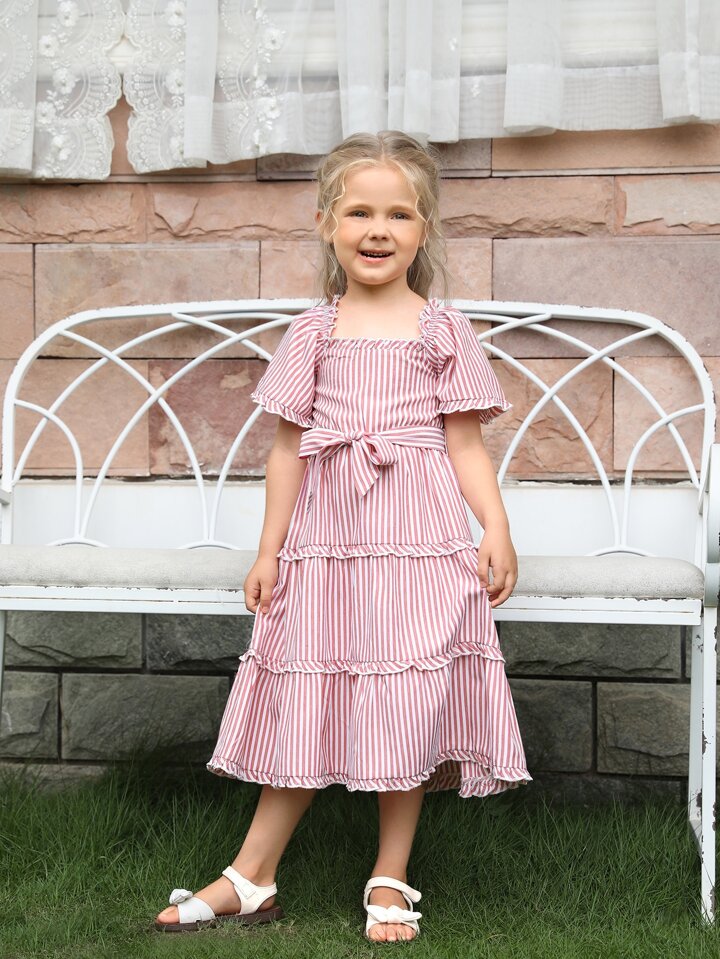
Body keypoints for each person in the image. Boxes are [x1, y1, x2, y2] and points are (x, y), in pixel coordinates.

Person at [154, 130, 532, 942]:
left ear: (424, 230)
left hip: (420, 540)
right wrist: (269, 549)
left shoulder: (442, 329)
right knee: (314, 686)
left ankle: (390, 872)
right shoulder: (313, 333)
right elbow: (286, 450)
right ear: (327, 223)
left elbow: (466, 444)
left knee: (406, 690)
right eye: (359, 211)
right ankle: (253, 873)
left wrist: (496, 527)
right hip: (328, 543)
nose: (378, 229)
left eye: (399, 214)